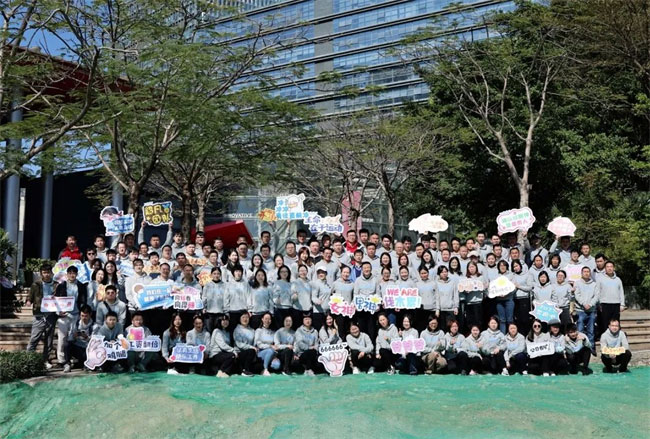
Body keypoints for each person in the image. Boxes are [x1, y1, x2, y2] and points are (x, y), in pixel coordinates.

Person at [25, 263, 58, 368]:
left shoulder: (56, 285)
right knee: (34, 338)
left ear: (51, 273)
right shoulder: (36, 284)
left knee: (49, 340)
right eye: (44, 272)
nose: (46, 274)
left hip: (51, 315)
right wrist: (28, 301)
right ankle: (28, 360)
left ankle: (45, 360)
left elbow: (61, 298)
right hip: (39, 315)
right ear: (41, 274)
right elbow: (30, 296)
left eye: (48, 272)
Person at [54, 266, 87, 367]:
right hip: (63, 315)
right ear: (67, 274)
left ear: (77, 274)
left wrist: (81, 313)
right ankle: (61, 360)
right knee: (62, 338)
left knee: (73, 337)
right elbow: (56, 300)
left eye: (74, 273)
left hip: (76, 315)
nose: (72, 275)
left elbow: (83, 300)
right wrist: (58, 312)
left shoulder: (81, 286)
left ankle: (71, 358)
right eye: (70, 273)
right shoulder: (61, 286)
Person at [597, 261, 626, 337]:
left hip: (616, 304)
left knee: (615, 323)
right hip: (604, 304)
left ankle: (616, 338)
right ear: (605, 268)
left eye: (611, 266)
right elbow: (597, 292)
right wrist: (599, 304)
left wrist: (622, 304)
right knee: (605, 323)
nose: (609, 268)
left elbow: (621, 292)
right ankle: (606, 340)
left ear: (614, 268)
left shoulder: (618, 280)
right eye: (607, 267)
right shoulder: (600, 279)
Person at [574, 266, 598, 353]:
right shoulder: (577, 283)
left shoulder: (594, 284)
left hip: (591, 310)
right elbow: (577, 295)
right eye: (584, 271)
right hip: (580, 310)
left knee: (591, 330)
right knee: (579, 329)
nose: (586, 273)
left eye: (588, 272)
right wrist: (584, 304)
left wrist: (590, 304)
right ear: (581, 273)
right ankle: (579, 347)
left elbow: (596, 296)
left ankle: (591, 347)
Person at [63, 305, 94, 373]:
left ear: (90, 315)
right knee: (66, 345)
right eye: (82, 316)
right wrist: (74, 337)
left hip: (88, 349)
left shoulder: (94, 326)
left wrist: (86, 337)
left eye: (86, 316)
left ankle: (86, 364)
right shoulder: (75, 324)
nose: (84, 318)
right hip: (78, 348)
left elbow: (95, 342)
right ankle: (67, 364)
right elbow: (70, 338)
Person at [354, 262, 380, 340]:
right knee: (362, 327)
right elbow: (356, 294)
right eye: (364, 268)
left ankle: (372, 344)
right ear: (362, 270)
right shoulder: (358, 280)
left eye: (368, 268)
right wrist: (355, 304)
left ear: (371, 269)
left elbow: (378, 293)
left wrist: (378, 304)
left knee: (372, 328)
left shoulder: (375, 280)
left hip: (371, 308)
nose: (366, 269)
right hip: (361, 308)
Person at [224, 265, 251, 334]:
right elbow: (226, 298)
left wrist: (249, 310)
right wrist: (226, 311)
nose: (238, 273)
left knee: (244, 332)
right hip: (233, 312)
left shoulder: (246, 284)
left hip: (243, 311)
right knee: (232, 331)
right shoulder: (229, 284)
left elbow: (249, 297)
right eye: (236, 271)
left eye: (239, 271)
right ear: (233, 273)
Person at [233, 312, 261, 376]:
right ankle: (245, 370)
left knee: (259, 366)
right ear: (240, 319)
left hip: (251, 353)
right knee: (251, 351)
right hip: (239, 353)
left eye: (247, 317)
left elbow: (254, 342)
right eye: (243, 317)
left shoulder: (252, 330)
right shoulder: (237, 330)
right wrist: (251, 347)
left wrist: (255, 348)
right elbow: (239, 344)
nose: (245, 319)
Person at [462, 262, 485, 333]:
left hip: (479, 302)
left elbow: (484, 288)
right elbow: (462, 290)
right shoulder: (465, 278)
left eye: (473, 267)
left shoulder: (481, 277)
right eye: (470, 267)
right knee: (470, 321)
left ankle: (479, 335)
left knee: (479, 321)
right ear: (467, 269)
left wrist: (483, 287)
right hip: (469, 303)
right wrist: (466, 290)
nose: (471, 269)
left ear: (476, 268)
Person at [202, 267, 226, 333]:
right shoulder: (207, 285)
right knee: (209, 331)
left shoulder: (224, 285)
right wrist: (204, 307)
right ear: (211, 275)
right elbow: (204, 297)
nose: (216, 275)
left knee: (218, 332)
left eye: (218, 274)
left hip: (220, 312)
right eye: (214, 273)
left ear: (220, 275)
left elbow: (226, 299)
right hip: (209, 312)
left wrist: (226, 311)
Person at [416, 267, 436, 332]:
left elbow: (437, 296)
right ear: (419, 274)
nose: (424, 275)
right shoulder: (417, 284)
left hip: (432, 309)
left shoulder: (433, 283)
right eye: (422, 273)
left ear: (428, 273)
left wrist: (437, 309)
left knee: (432, 327)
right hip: (421, 310)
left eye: (425, 273)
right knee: (421, 327)